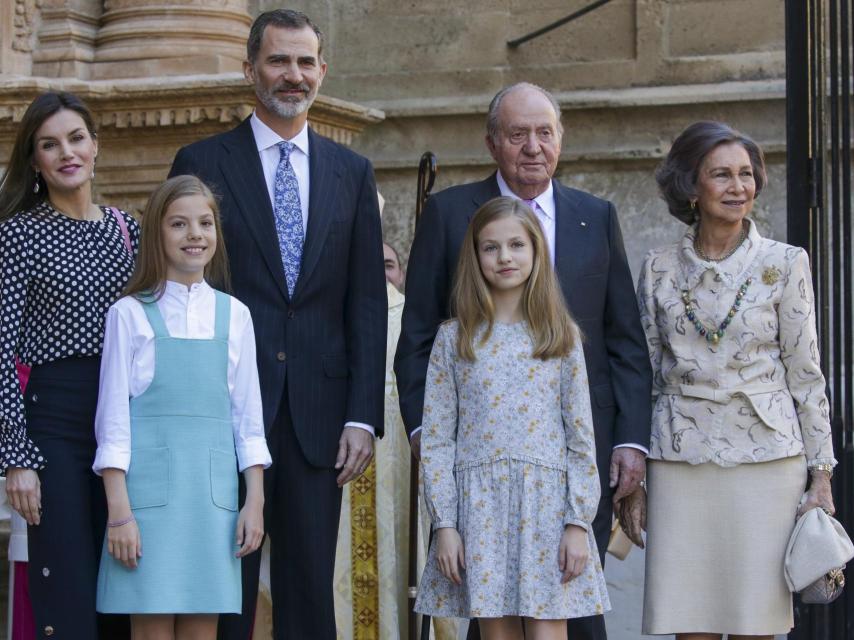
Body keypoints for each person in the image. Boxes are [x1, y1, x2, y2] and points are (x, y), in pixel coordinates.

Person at [395, 82, 651, 640]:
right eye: (517, 134)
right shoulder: (449, 215)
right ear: (492, 142)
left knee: (574, 612)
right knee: (492, 618)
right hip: (475, 475)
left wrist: (631, 439)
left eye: (544, 133)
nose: (533, 146)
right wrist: (424, 433)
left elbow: (624, 339)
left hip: (567, 467)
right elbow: (416, 338)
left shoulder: (596, 215)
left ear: (561, 138)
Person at [169, 9, 386, 639]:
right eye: (278, 61)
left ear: (322, 70)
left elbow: (366, 303)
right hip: (222, 409)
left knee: (309, 591)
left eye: (304, 62)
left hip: (320, 416)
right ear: (250, 69)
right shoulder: (202, 161)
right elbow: (182, 285)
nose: (293, 75)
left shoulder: (352, 172)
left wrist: (362, 415)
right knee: (223, 589)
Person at [630, 121, 836, 639]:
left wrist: (821, 474)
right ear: (690, 187)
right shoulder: (657, 268)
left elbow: (806, 374)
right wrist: (634, 474)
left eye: (746, 174)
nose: (738, 187)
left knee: (755, 622)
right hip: (679, 459)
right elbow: (644, 375)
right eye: (721, 174)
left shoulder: (785, 263)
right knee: (689, 621)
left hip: (766, 460)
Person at [414, 197, 609, 639]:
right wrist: (445, 525)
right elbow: (438, 441)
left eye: (517, 245)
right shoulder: (455, 339)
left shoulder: (560, 336)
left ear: (536, 251)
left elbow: (581, 438)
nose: (505, 257)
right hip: (480, 512)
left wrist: (577, 522)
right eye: (491, 247)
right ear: (475, 256)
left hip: (546, 510)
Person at [92, 175, 271, 639]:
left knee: (201, 631)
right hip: (145, 507)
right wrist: (120, 513)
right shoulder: (128, 314)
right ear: (157, 233)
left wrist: (254, 501)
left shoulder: (236, 315)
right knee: (150, 630)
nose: (195, 234)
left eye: (205, 223)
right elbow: (113, 426)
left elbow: (248, 422)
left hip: (213, 506)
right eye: (179, 224)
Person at [0, 90, 138, 639]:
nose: (67, 153)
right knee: (69, 588)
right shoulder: (18, 234)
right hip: (54, 422)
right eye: (50, 144)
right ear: (34, 160)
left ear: (96, 144)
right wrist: (16, 457)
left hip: (126, 420)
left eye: (76, 138)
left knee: (126, 583)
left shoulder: (128, 230)